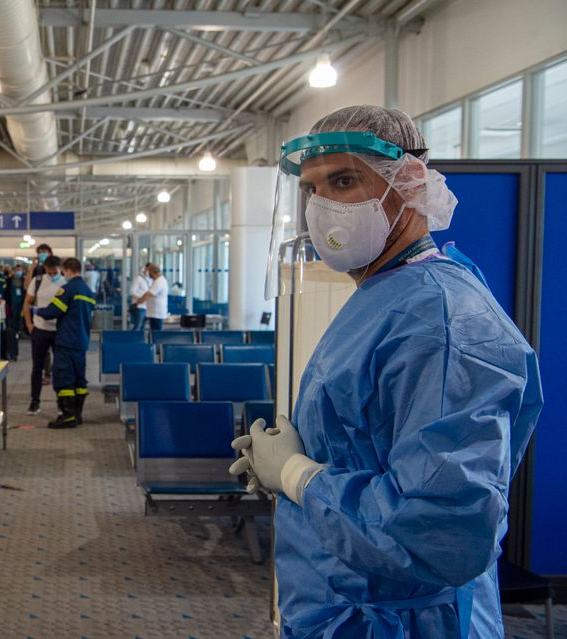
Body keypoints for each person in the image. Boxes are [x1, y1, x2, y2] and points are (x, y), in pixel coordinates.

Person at [230, 105, 543, 638]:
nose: (323, 206)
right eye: (312, 190)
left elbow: (440, 532)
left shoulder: (441, 323)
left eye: (344, 180)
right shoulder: (389, 297)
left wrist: (298, 476)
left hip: (409, 621)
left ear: (410, 185)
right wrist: (298, 456)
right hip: (348, 606)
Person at [34, 257, 95, 428]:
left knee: (64, 377)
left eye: (63, 271)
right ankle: (77, 414)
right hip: (81, 341)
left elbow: (54, 311)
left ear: (67, 270)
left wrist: (38, 310)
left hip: (66, 340)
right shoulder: (89, 292)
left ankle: (67, 416)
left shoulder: (67, 289)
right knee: (79, 379)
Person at [23, 255, 64, 415]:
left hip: (59, 331)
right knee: (37, 367)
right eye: (50, 272)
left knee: (60, 368)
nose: (53, 275)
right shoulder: (38, 281)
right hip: (39, 329)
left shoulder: (66, 282)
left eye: (55, 272)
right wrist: (28, 324)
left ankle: (61, 402)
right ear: (45, 269)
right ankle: (35, 401)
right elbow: (27, 302)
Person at [134, 263, 168, 331]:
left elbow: (148, 295)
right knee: (153, 332)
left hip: (157, 314)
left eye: (149, 271)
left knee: (156, 335)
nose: (148, 274)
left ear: (152, 271)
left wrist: (136, 303)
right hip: (154, 313)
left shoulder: (159, 282)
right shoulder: (157, 281)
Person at [128, 264, 150, 331]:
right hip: (139, 307)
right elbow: (132, 291)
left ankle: (139, 341)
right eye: (148, 270)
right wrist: (143, 297)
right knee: (138, 326)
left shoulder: (148, 280)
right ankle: (132, 340)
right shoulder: (138, 278)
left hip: (146, 307)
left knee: (142, 327)